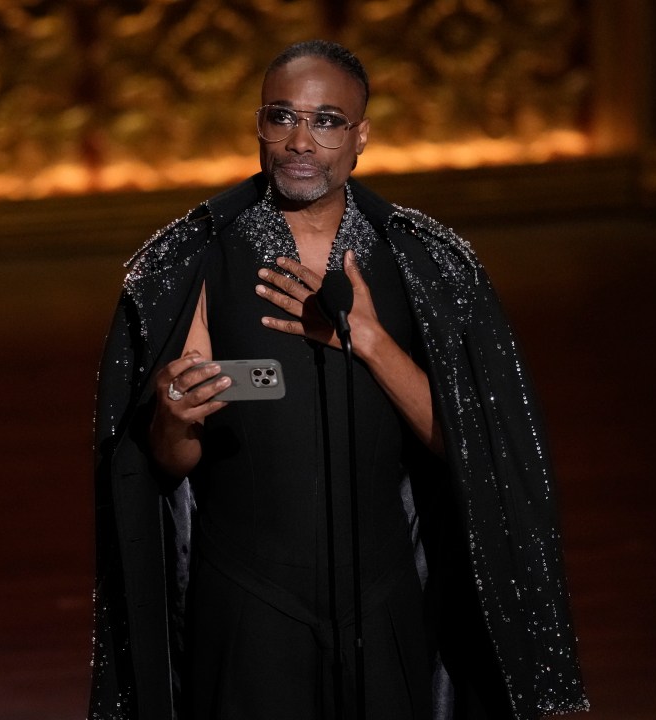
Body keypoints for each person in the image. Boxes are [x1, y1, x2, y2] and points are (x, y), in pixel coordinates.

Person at [90, 40, 588, 720]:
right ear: (258, 128)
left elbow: (471, 452)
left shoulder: (424, 265)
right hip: (245, 604)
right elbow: (168, 469)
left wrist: (372, 341)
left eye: (326, 121)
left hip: (383, 606)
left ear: (360, 137)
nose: (301, 141)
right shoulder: (195, 261)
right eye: (281, 117)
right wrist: (172, 420)